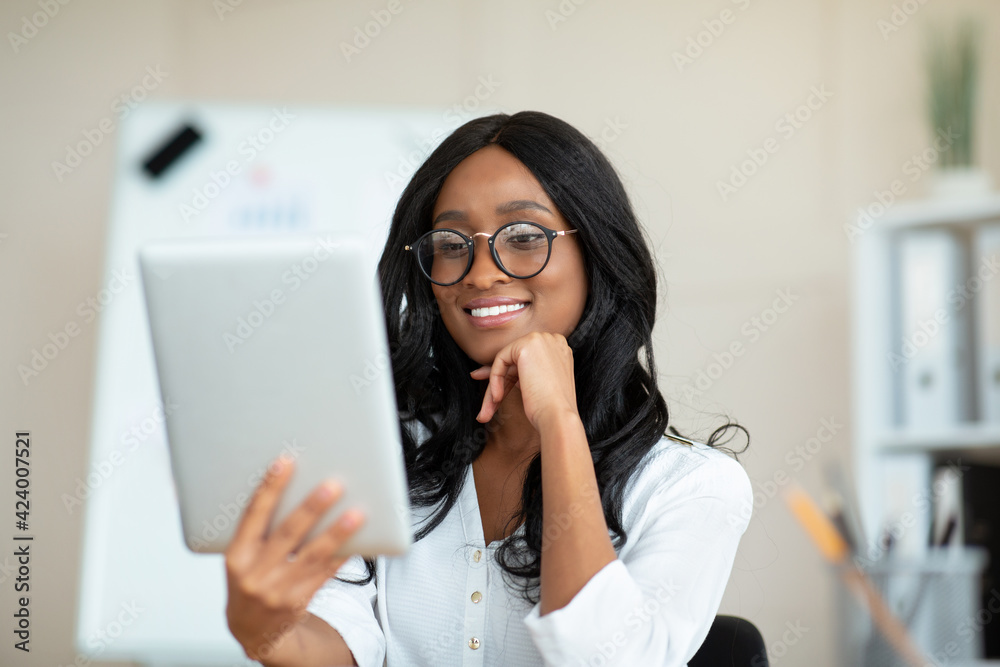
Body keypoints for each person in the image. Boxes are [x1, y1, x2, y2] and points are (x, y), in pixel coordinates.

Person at [224, 111, 754, 666]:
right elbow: (346, 646)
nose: (479, 273)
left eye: (523, 236)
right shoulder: (387, 453)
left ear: (596, 251)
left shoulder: (691, 488)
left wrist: (559, 423)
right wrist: (265, 631)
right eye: (451, 244)